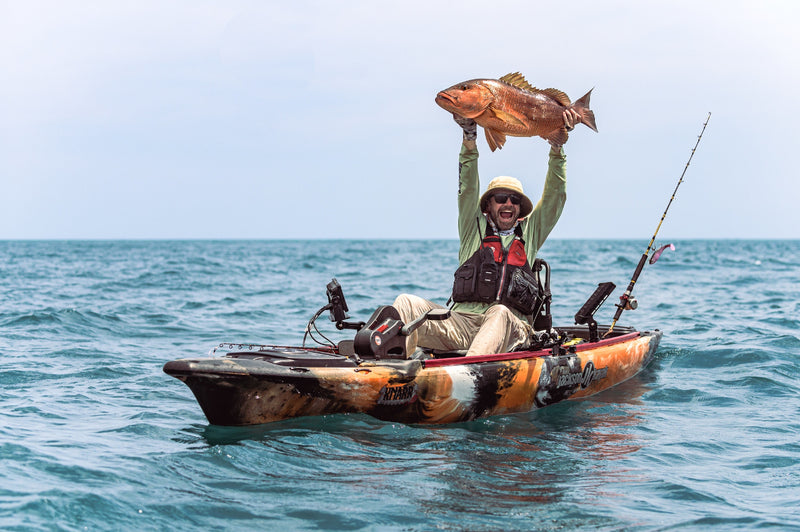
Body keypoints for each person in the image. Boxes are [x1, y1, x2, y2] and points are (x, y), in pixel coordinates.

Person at [392, 109, 581, 357]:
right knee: (406, 302)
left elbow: (556, 196)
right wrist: (469, 137)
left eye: (514, 200)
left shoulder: (530, 233)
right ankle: (391, 371)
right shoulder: (473, 229)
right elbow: (468, 188)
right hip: (462, 324)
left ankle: (468, 377)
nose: (508, 204)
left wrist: (557, 149)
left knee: (499, 312)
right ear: (489, 205)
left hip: (513, 328)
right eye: (501, 198)